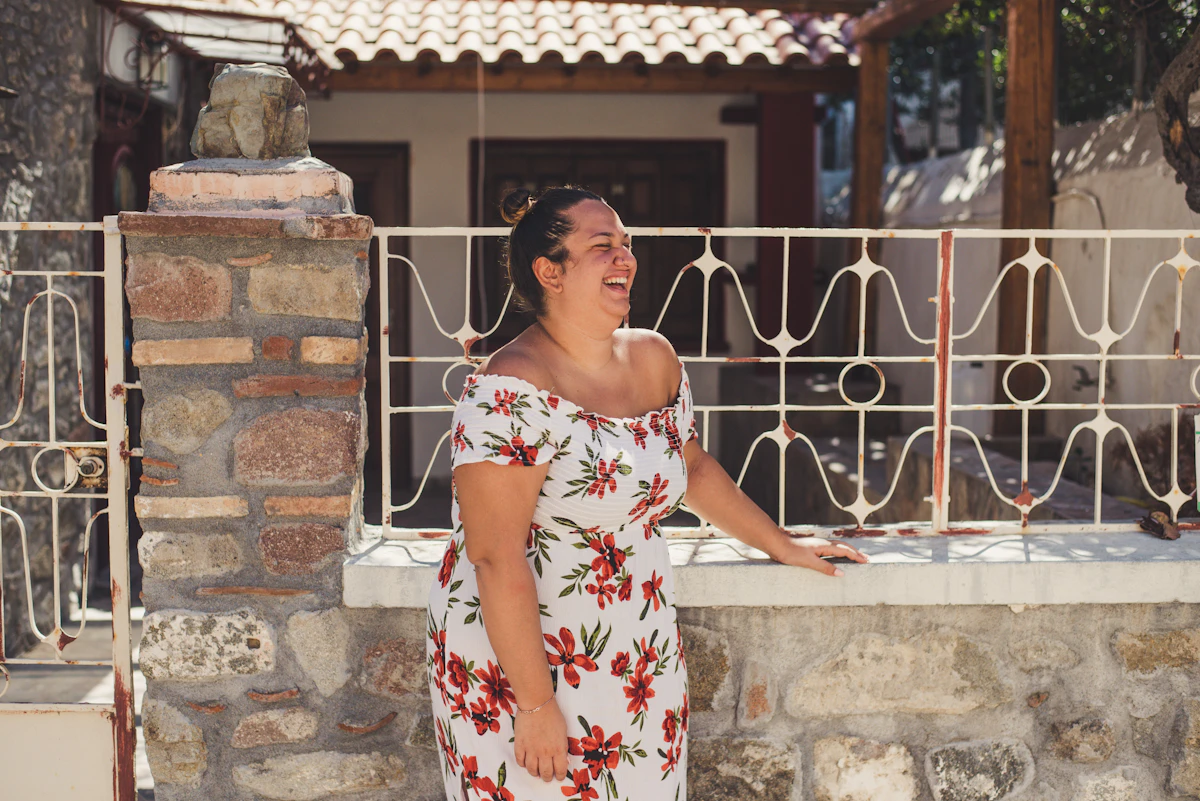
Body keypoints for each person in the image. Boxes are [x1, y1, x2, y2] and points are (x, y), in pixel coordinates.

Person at [426, 186, 868, 801]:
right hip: (519, 664)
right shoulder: (507, 386)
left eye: (626, 245)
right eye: (602, 246)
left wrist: (783, 544)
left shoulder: (654, 357)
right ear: (549, 271)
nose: (625, 258)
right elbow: (495, 557)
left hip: (635, 648)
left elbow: (693, 468)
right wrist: (533, 706)